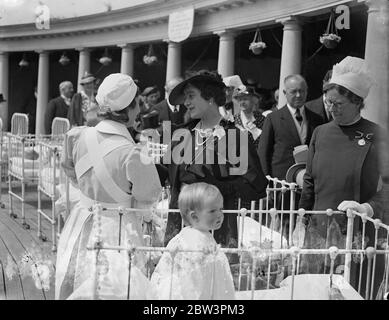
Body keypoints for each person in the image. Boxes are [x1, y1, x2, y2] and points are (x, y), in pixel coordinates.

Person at [55, 73, 162, 300]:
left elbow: (70, 171)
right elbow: (149, 196)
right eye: (137, 105)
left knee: (78, 282)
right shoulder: (133, 153)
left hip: (82, 221)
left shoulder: (77, 137)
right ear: (131, 108)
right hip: (119, 228)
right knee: (118, 288)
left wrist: (91, 192)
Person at [299, 57, 389, 291]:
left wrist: (368, 208)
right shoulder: (320, 132)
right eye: (329, 102)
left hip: (358, 234)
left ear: (357, 101)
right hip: (319, 230)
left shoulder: (377, 134)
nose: (331, 108)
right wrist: (301, 218)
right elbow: (309, 181)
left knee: (352, 291)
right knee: (314, 290)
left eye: (338, 103)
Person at [163, 70, 267, 249]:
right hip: (180, 229)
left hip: (218, 232)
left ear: (210, 97)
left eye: (191, 96)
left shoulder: (235, 137)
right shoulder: (181, 136)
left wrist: (215, 182)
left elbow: (256, 187)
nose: (186, 103)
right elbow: (168, 179)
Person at [150, 183, 235, 300]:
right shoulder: (193, 240)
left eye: (221, 209)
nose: (220, 214)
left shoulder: (202, 235)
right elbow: (193, 278)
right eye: (212, 211)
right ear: (194, 217)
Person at [258, 74, 323, 181]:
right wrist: (266, 182)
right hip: (281, 182)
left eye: (302, 91)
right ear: (285, 93)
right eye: (294, 91)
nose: (298, 95)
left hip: (309, 181)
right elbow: (263, 153)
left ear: (307, 92)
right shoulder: (273, 118)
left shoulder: (317, 119)